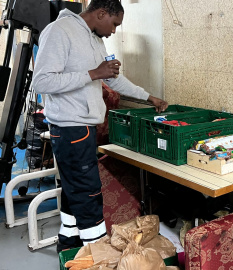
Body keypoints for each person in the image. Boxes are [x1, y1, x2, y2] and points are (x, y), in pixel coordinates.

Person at [32, 0, 168, 252]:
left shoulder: (96, 39)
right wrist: (93, 73)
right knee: (88, 192)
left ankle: (69, 243)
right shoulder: (59, 31)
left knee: (75, 189)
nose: (115, 31)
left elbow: (114, 79)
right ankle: (97, 253)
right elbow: (42, 82)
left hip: (84, 127)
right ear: (101, 13)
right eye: (114, 24)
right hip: (70, 127)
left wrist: (148, 97)